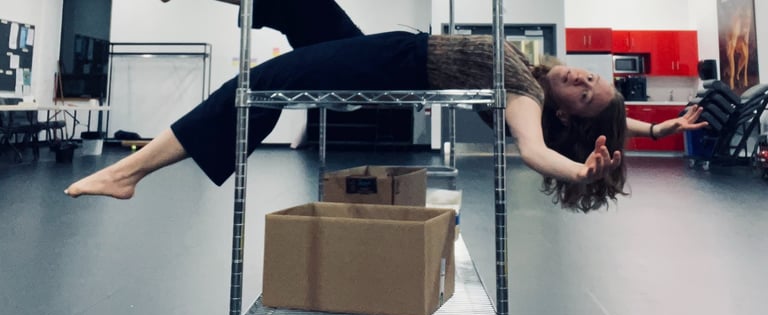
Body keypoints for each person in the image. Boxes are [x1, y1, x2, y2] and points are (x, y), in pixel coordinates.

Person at [66, 0, 705, 212]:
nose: (578, 77)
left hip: (387, 63)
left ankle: (130, 172)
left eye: (584, 92)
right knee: (299, 2)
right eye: (588, 78)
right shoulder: (535, 72)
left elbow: (535, 152)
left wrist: (582, 172)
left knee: (259, 86)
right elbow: (623, 121)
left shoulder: (525, 96)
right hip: (385, 50)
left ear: (566, 114)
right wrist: (664, 123)